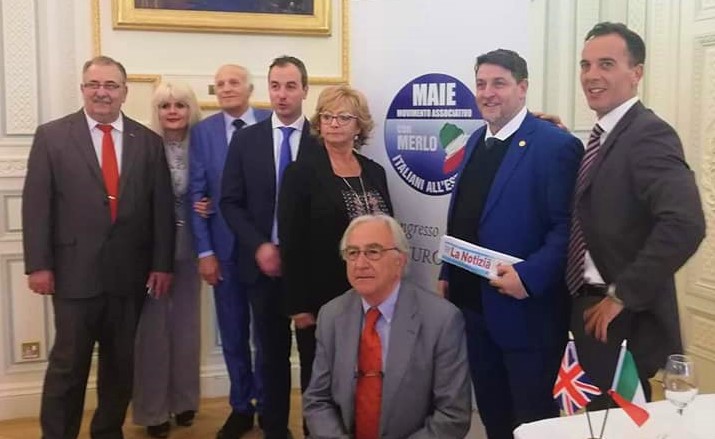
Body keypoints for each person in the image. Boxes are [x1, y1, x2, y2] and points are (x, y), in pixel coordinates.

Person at [22, 55, 174, 439]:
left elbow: (161, 209)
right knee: (68, 365)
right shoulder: (52, 136)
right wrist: (38, 265)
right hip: (73, 273)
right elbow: (37, 205)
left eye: (110, 85)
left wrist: (162, 264)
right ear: (83, 89)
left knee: (120, 366)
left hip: (129, 275)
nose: (102, 92)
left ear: (124, 92)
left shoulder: (148, 142)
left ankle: (107, 431)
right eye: (94, 84)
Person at [439, 49, 583, 439]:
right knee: (494, 417)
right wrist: (447, 271)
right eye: (481, 84)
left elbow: (569, 227)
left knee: (533, 423)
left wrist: (529, 277)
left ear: (522, 88)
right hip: (473, 310)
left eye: (499, 83)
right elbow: (465, 215)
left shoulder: (554, 145)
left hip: (526, 316)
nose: (487, 93)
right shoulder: (474, 140)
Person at [569, 22, 705, 406]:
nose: (591, 75)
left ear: (636, 72)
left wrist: (621, 295)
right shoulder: (604, 135)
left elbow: (685, 224)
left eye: (606, 64)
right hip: (585, 307)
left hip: (619, 319)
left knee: (615, 422)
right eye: (585, 65)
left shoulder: (649, 134)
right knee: (588, 421)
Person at [220, 55, 320, 439]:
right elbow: (230, 202)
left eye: (291, 86)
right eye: (275, 86)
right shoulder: (246, 140)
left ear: (305, 90)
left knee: (314, 357)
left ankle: (315, 429)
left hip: (309, 273)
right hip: (262, 269)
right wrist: (260, 245)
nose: (282, 94)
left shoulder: (321, 141)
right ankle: (275, 430)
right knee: (271, 356)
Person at [303, 214, 472, 438]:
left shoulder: (441, 320)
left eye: (373, 252)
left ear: (399, 260)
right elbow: (317, 400)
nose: (360, 264)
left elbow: (453, 415)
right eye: (352, 253)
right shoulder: (331, 315)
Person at [278, 85, 393, 397]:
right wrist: (298, 305)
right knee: (322, 383)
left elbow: (389, 231)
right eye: (327, 116)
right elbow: (291, 241)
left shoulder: (375, 172)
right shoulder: (300, 173)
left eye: (343, 117)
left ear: (359, 126)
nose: (333, 123)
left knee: (368, 378)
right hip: (321, 300)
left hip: (374, 298)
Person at [188, 64, 271, 438]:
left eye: (233, 82)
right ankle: (241, 406)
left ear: (250, 88)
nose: (226, 88)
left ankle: (269, 405)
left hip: (265, 248)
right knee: (233, 333)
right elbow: (197, 194)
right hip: (224, 251)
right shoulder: (203, 133)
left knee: (267, 334)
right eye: (219, 84)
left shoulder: (271, 122)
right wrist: (205, 251)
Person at [132, 81, 204, 438]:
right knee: (152, 333)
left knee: (187, 328)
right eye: (165, 106)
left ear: (191, 109)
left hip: (193, 247)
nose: (173, 111)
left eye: (180, 105)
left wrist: (208, 203)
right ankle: (153, 410)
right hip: (152, 250)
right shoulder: (144, 146)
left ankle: (185, 400)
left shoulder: (203, 145)